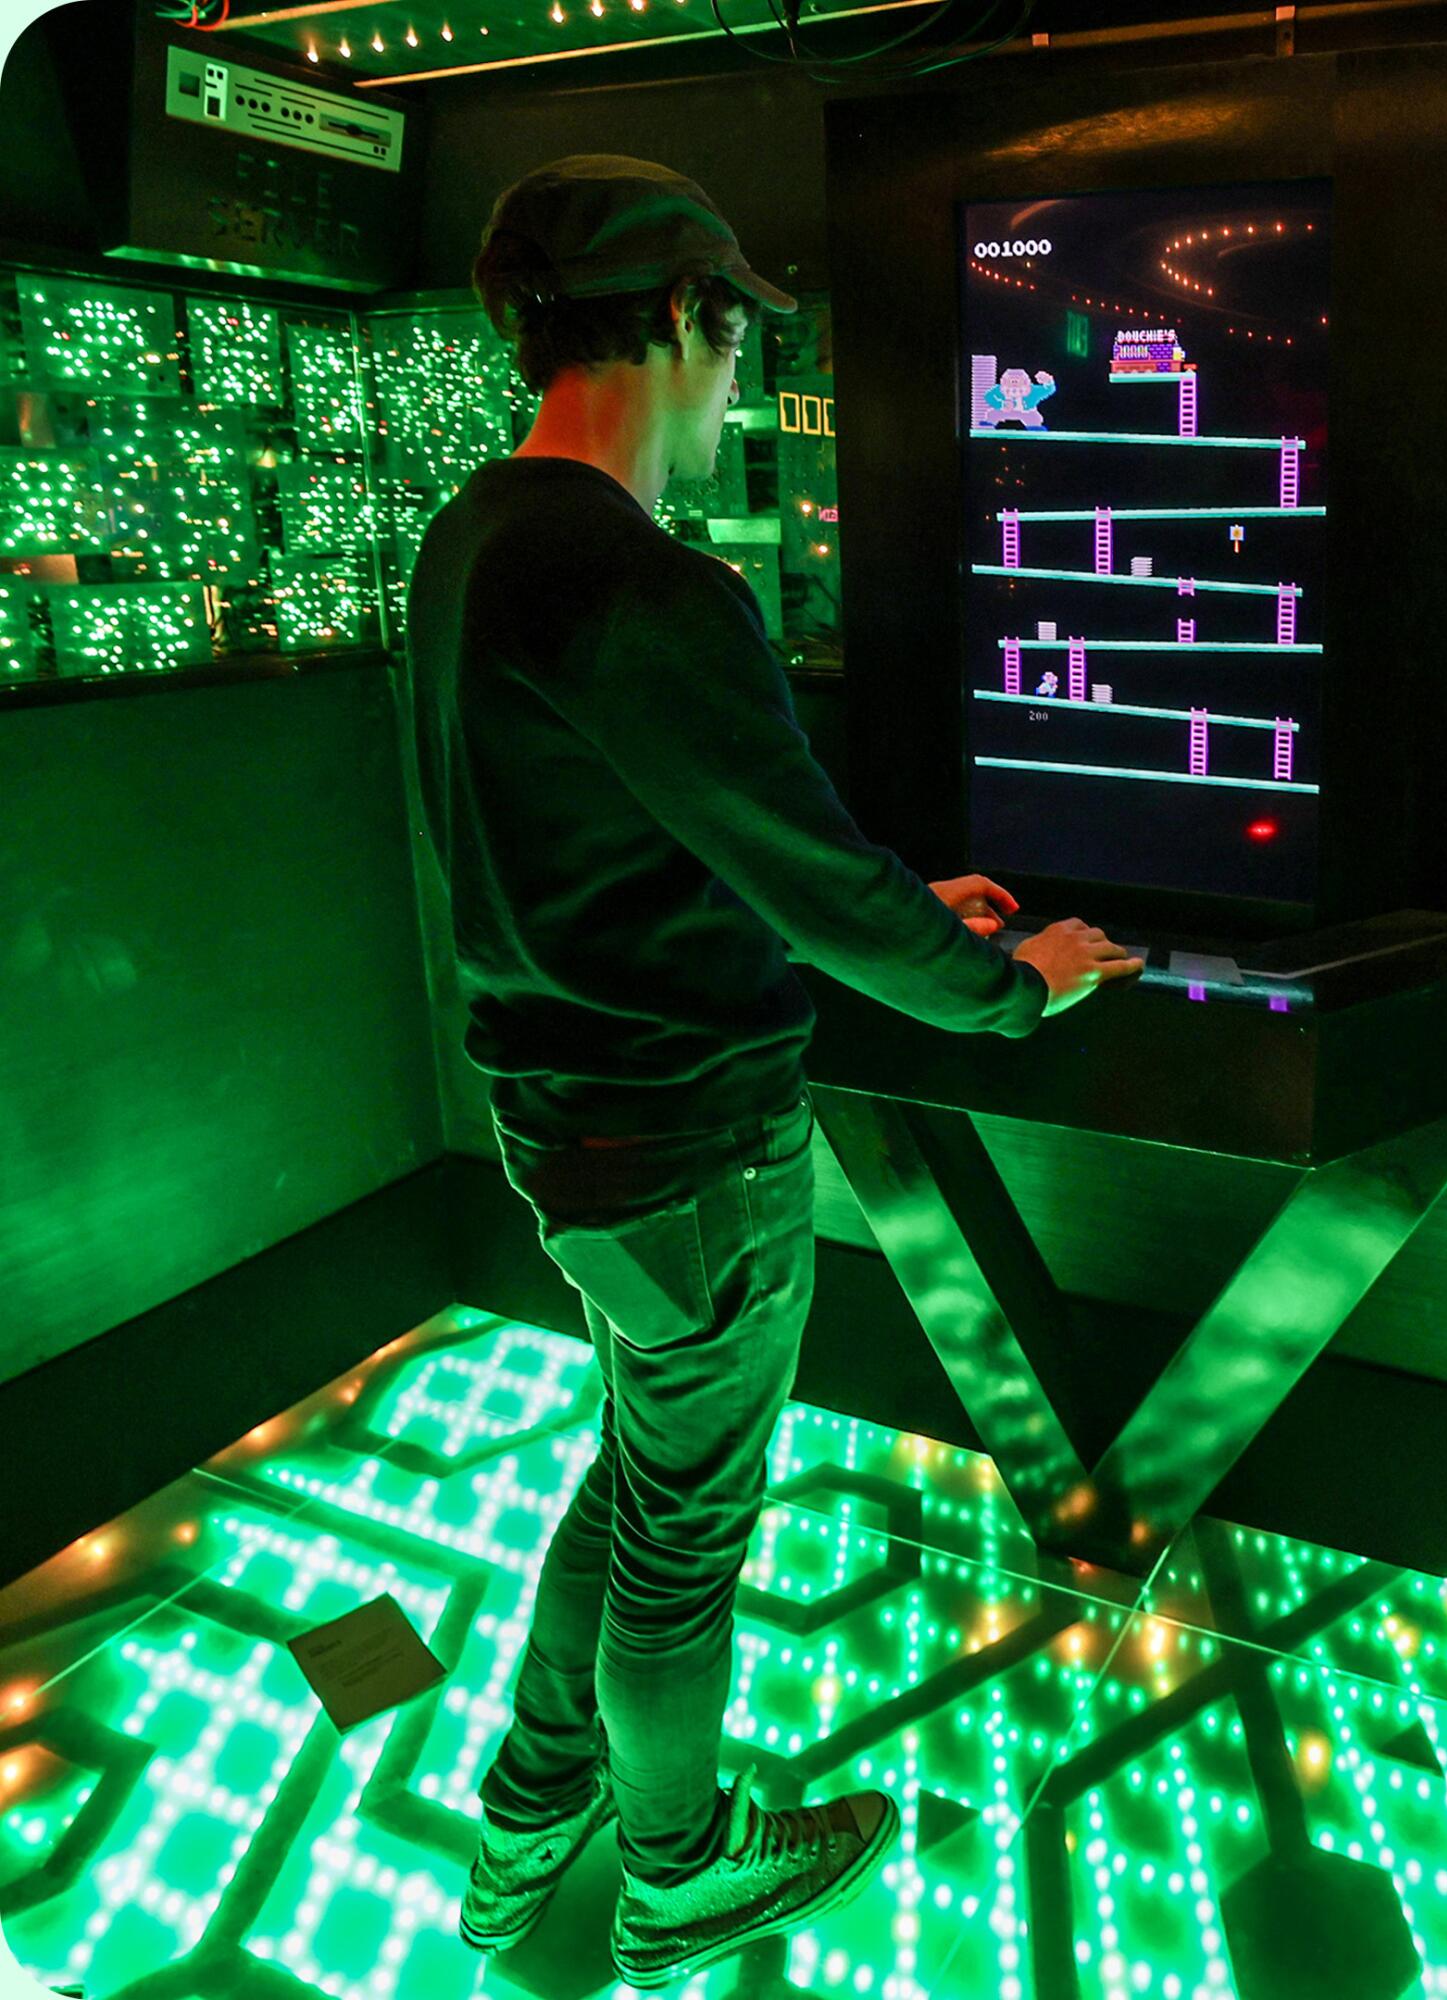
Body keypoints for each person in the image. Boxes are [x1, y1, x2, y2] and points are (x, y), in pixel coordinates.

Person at [405, 155, 1143, 1986]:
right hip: (692, 1154)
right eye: (734, 340)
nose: (737, 389)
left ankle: (530, 1807)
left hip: (575, 1136)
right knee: (685, 1540)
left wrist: (905, 907)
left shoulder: (476, 537)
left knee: (635, 1477)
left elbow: (658, 851)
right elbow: (801, 875)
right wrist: (1010, 985)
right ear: (679, 319)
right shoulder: (634, 574)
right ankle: (678, 1871)